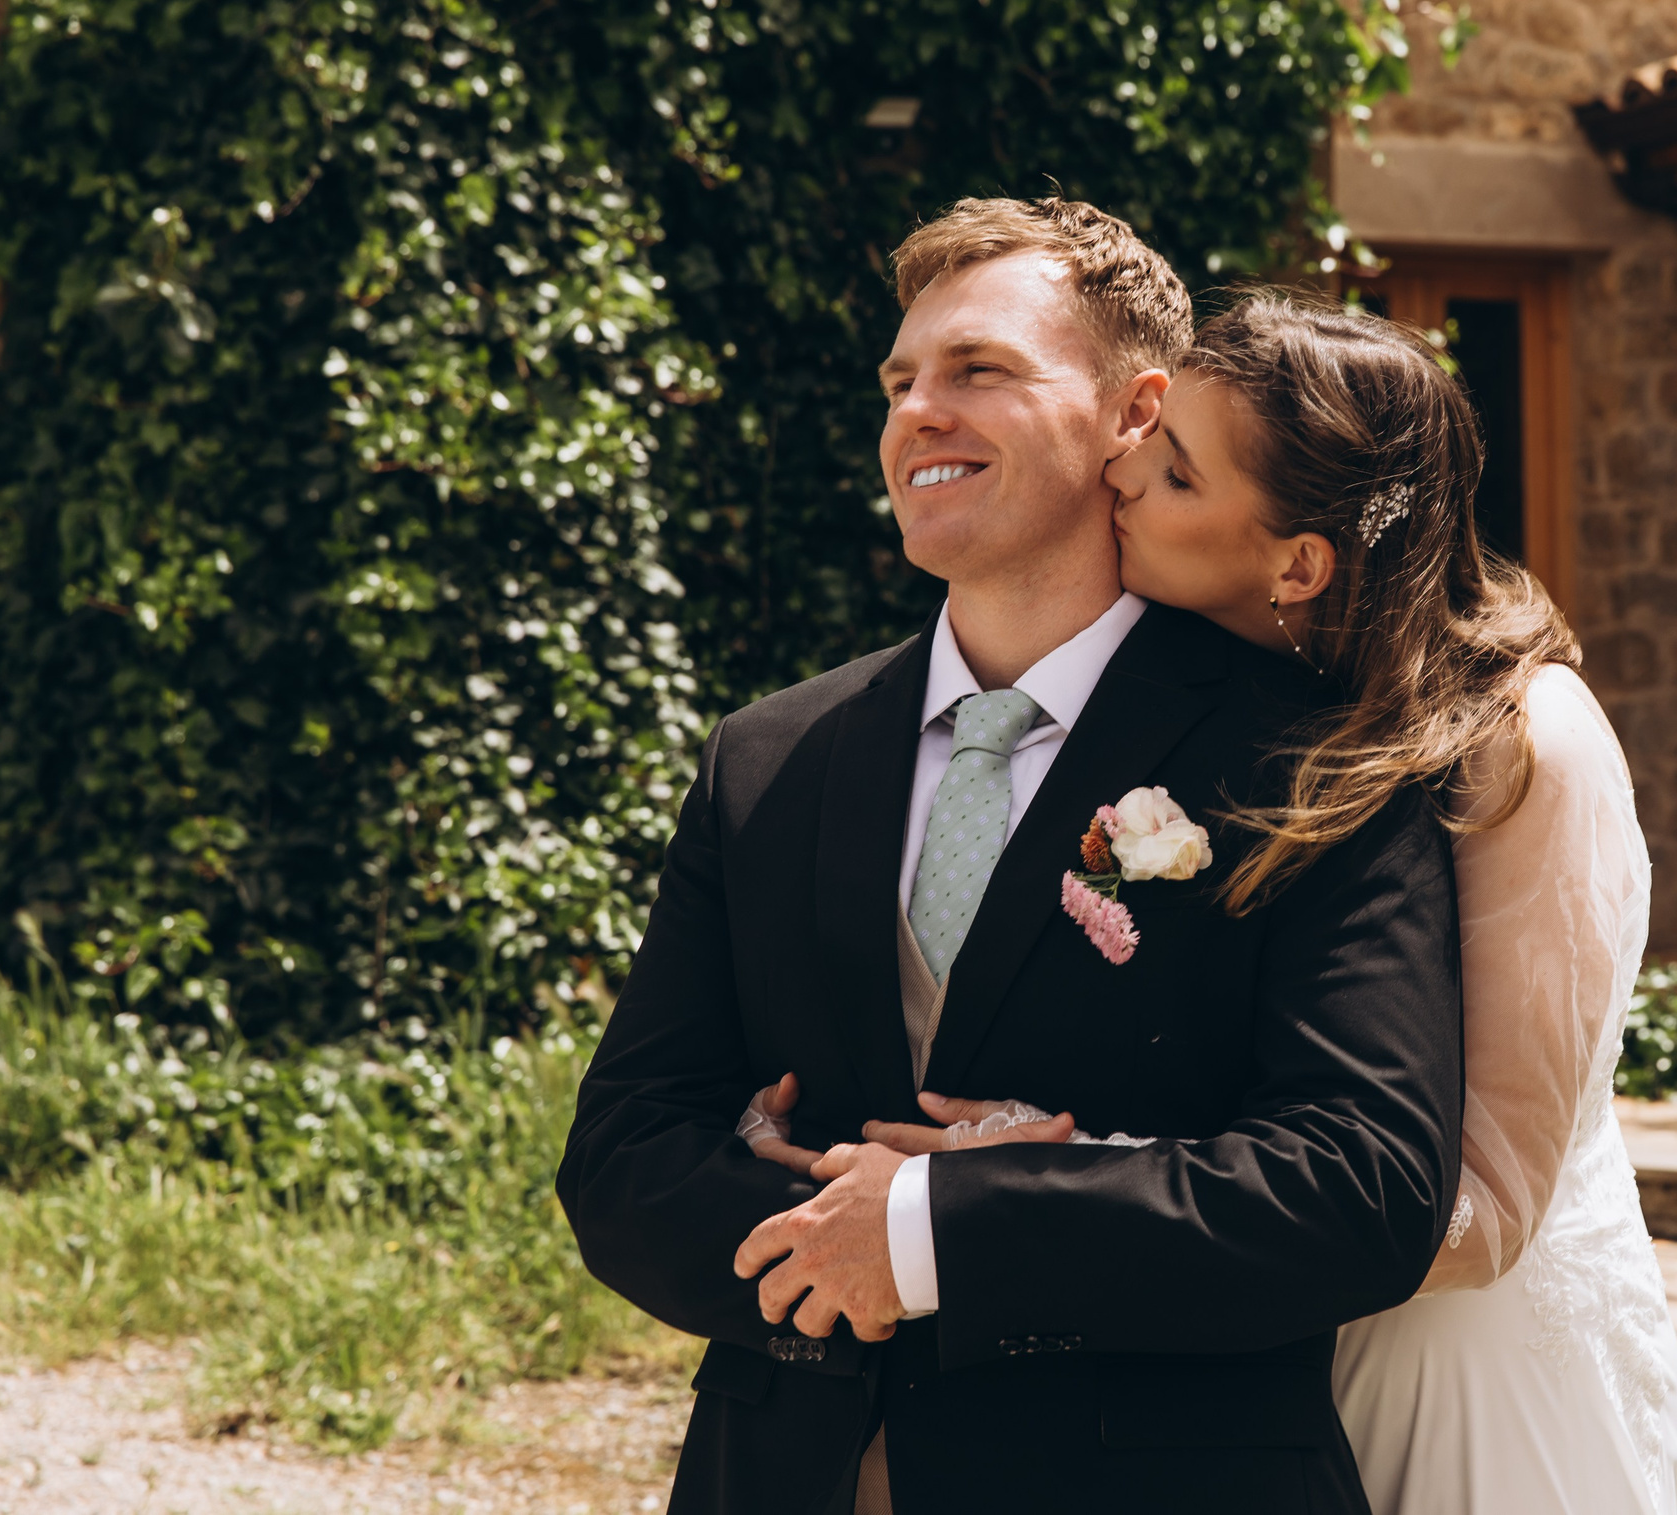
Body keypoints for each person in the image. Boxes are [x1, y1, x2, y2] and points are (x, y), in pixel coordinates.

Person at [557, 202, 1466, 1515]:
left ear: (1132, 415)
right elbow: (624, 1152)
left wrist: (928, 1237)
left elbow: (1360, 1182)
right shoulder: (768, 754)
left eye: (978, 369)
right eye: (901, 380)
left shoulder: (1312, 756)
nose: (917, 409)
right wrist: (824, 1253)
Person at [767, 289, 1677, 1515]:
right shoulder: (1245, 709)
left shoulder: (1526, 746)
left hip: (1454, 1367)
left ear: (1298, 563)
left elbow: (1478, 1214)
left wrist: (1058, 1170)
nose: (1122, 481)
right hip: (1235, 1347)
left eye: (1177, 476)